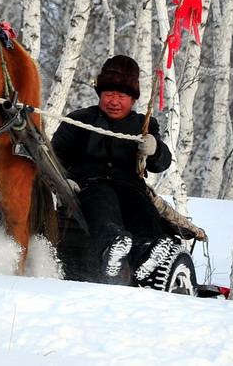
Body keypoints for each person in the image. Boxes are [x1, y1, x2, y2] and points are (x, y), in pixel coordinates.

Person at [51, 55, 178, 284]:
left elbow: (161, 164)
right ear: (100, 93)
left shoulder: (144, 125)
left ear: (132, 99)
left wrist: (155, 148)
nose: (114, 101)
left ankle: (146, 253)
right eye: (109, 94)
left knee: (143, 210)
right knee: (103, 204)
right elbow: (54, 156)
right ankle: (112, 248)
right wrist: (62, 181)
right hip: (90, 186)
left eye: (121, 96)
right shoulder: (79, 120)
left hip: (131, 187)